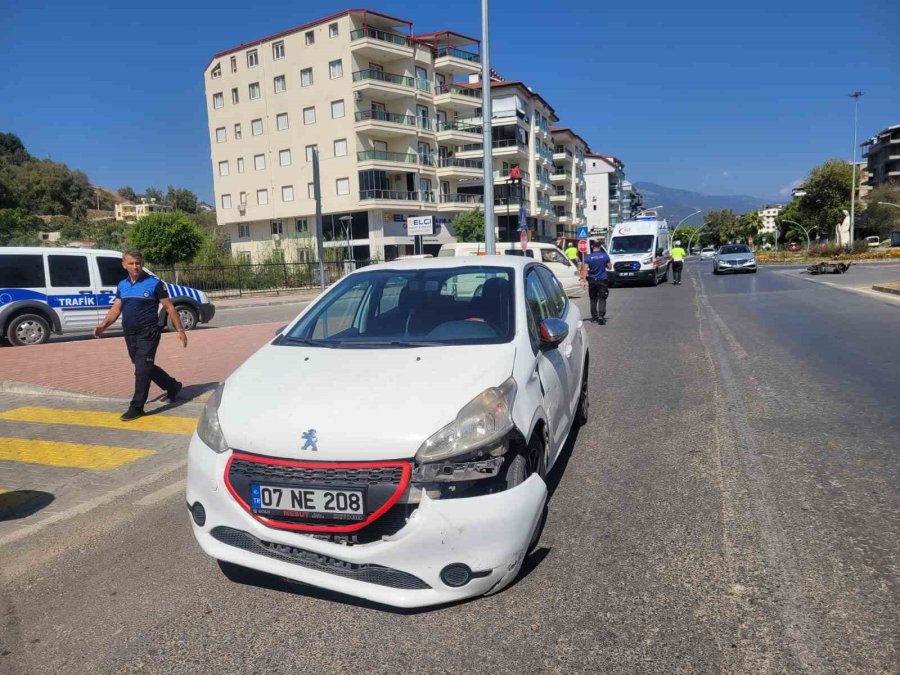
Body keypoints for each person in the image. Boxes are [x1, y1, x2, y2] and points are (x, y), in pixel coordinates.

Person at [93, 249, 187, 421]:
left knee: (142, 370)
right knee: (143, 366)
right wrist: (104, 325)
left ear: (142, 264)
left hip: (148, 332)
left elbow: (169, 307)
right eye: (131, 263)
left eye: (138, 263)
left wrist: (180, 330)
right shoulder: (122, 285)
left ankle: (136, 407)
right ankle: (172, 386)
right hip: (129, 333)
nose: (135, 266)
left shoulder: (154, 283)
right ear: (124, 265)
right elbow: (116, 308)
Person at [581, 240, 612, 324]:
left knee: (593, 299)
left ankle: (594, 317)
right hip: (602, 280)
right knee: (602, 298)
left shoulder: (588, 257)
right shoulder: (604, 256)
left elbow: (585, 269)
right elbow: (609, 267)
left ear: (592, 247)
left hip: (592, 280)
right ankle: (601, 316)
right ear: (600, 247)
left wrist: (584, 280)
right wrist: (605, 264)